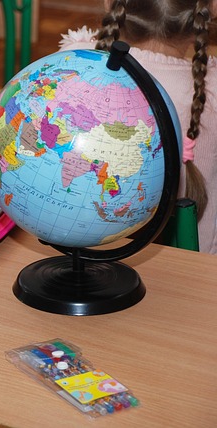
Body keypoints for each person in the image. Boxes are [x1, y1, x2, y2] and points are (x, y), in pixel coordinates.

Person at [58, 0, 217, 254]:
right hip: (191, 264)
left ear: (111, 2)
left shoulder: (72, 57)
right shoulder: (211, 89)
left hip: (76, 245)